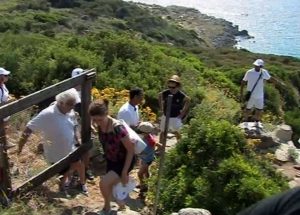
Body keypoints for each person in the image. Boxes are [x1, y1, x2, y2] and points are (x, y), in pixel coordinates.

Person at [17, 89, 88, 194]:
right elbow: (28, 129)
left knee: (79, 164)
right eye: (70, 104)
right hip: (56, 152)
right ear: (61, 103)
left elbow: (75, 126)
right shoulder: (48, 114)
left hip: (71, 148)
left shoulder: (70, 111)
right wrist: (20, 148)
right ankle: (63, 186)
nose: (73, 107)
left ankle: (81, 184)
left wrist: (78, 139)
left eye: (74, 104)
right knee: (63, 172)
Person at [88, 99, 135, 214]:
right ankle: (121, 206)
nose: (98, 122)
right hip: (111, 160)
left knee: (104, 183)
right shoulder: (99, 126)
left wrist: (124, 172)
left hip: (123, 161)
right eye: (94, 120)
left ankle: (107, 208)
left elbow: (131, 150)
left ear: (106, 114)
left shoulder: (118, 128)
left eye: (100, 119)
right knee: (113, 187)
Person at [240, 59, 284, 123]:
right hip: (251, 95)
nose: (256, 66)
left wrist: (279, 83)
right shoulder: (249, 72)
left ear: (261, 66)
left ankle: (256, 121)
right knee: (248, 109)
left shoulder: (264, 72)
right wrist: (241, 93)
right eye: (255, 65)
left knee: (259, 109)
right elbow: (243, 82)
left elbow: (270, 79)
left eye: (257, 65)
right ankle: (245, 122)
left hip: (260, 95)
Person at [71, 66, 94, 181]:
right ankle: (76, 171)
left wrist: (92, 123)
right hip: (74, 123)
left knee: (86, 146)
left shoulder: (88, 90)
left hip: (85, 123)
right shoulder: (70, 93)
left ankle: (86, 168)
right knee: (76, 146)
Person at [158, 75, 190, 142]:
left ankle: (180, 146)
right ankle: (160, 148)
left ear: (177, 86)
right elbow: (159, 95)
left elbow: (188, 100)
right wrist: (161, 108)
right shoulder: (166, 92)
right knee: (162, 131)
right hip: (165, 115)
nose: (171, 89)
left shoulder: (181, 95)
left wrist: (182, 113)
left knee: (177, 132)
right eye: (169, 87)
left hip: (175, 117)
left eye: (173, 87)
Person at [136, 122, 162, 195]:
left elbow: (144, 152)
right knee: (146, 172)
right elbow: (156, 144)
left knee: (140, 174)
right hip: (148, 158)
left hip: (146, 159)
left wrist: (137, 152)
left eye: (141, 132)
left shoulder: (148, 141)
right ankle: (146, 184)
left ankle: (143, 186)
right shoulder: (149, 137)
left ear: (145, 133)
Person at [0, 67, 16, 149]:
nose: (7, 77)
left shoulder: (3, 86)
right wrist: (9, 101)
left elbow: (7, 94)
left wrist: (9, 98)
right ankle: (4, 144)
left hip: (5, 111)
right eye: (5, 75)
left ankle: (4, 142)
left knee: (3, 128)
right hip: (1, 112)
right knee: (1, 127)